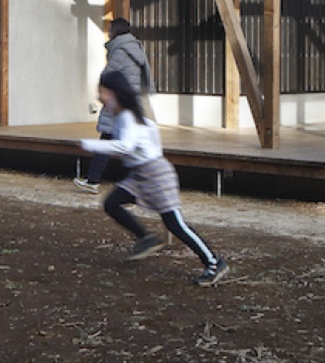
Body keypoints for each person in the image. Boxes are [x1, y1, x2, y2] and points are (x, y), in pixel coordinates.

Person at [81, 68, 228, 286]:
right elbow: (149, 131)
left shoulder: (128, 116)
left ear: (113, 92)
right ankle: (147, 238)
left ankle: (214, 262)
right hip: (139, 173)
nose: (99, 96)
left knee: (175, 224)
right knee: (112, 203)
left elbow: (125, 145)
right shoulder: (123, 113)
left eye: (102, 91)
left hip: (155, 173)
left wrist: (89, 144)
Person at [76, 17, 154, 193]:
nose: (108, 31)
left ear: (116, 31)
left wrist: (102, 94)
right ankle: (96, 180)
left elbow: (109, 77)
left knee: (110, 138)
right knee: (123, 142)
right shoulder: (133, 48)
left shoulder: (120, 51)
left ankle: (94, 180)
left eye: (110, 28)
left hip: (120, 101)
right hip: (130, 100)